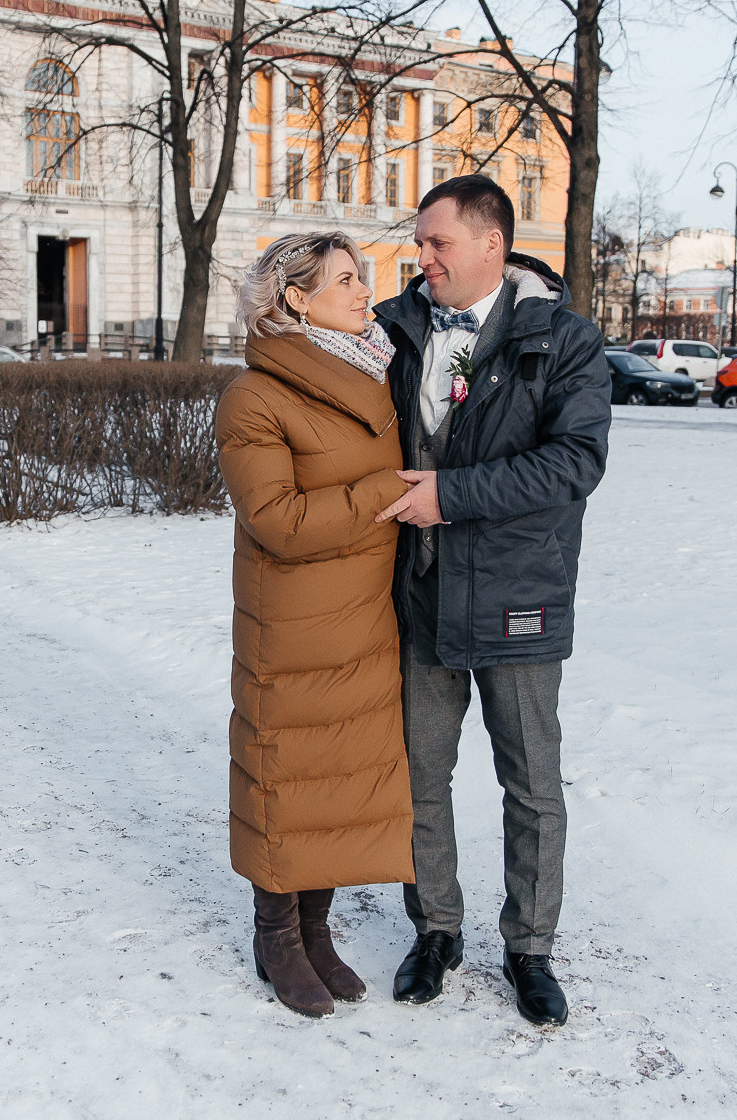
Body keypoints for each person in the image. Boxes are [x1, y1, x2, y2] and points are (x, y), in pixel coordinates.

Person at [372, 173, 611, 1027]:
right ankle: (435, 929)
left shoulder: (565, 339)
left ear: (491, 244)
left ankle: (530, 947)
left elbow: (575, 462)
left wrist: (453, 494)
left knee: (531, 783)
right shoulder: (393, 330)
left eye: (437, 242)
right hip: (422, 594)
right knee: (418, 776)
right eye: (420, 242)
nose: (423, 257)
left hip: (519, 597)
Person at [215, 232, 416, 1019]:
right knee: (288, 776)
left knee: (335, 779)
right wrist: (385, 492)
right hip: (295, 623)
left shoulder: (373, 372)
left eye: (362, 276)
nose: (365, 291)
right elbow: (278, 520)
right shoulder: (254, 397)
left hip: (363, 616)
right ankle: (276, 934)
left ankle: (315, 930)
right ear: (297, 299)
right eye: (345, 280)